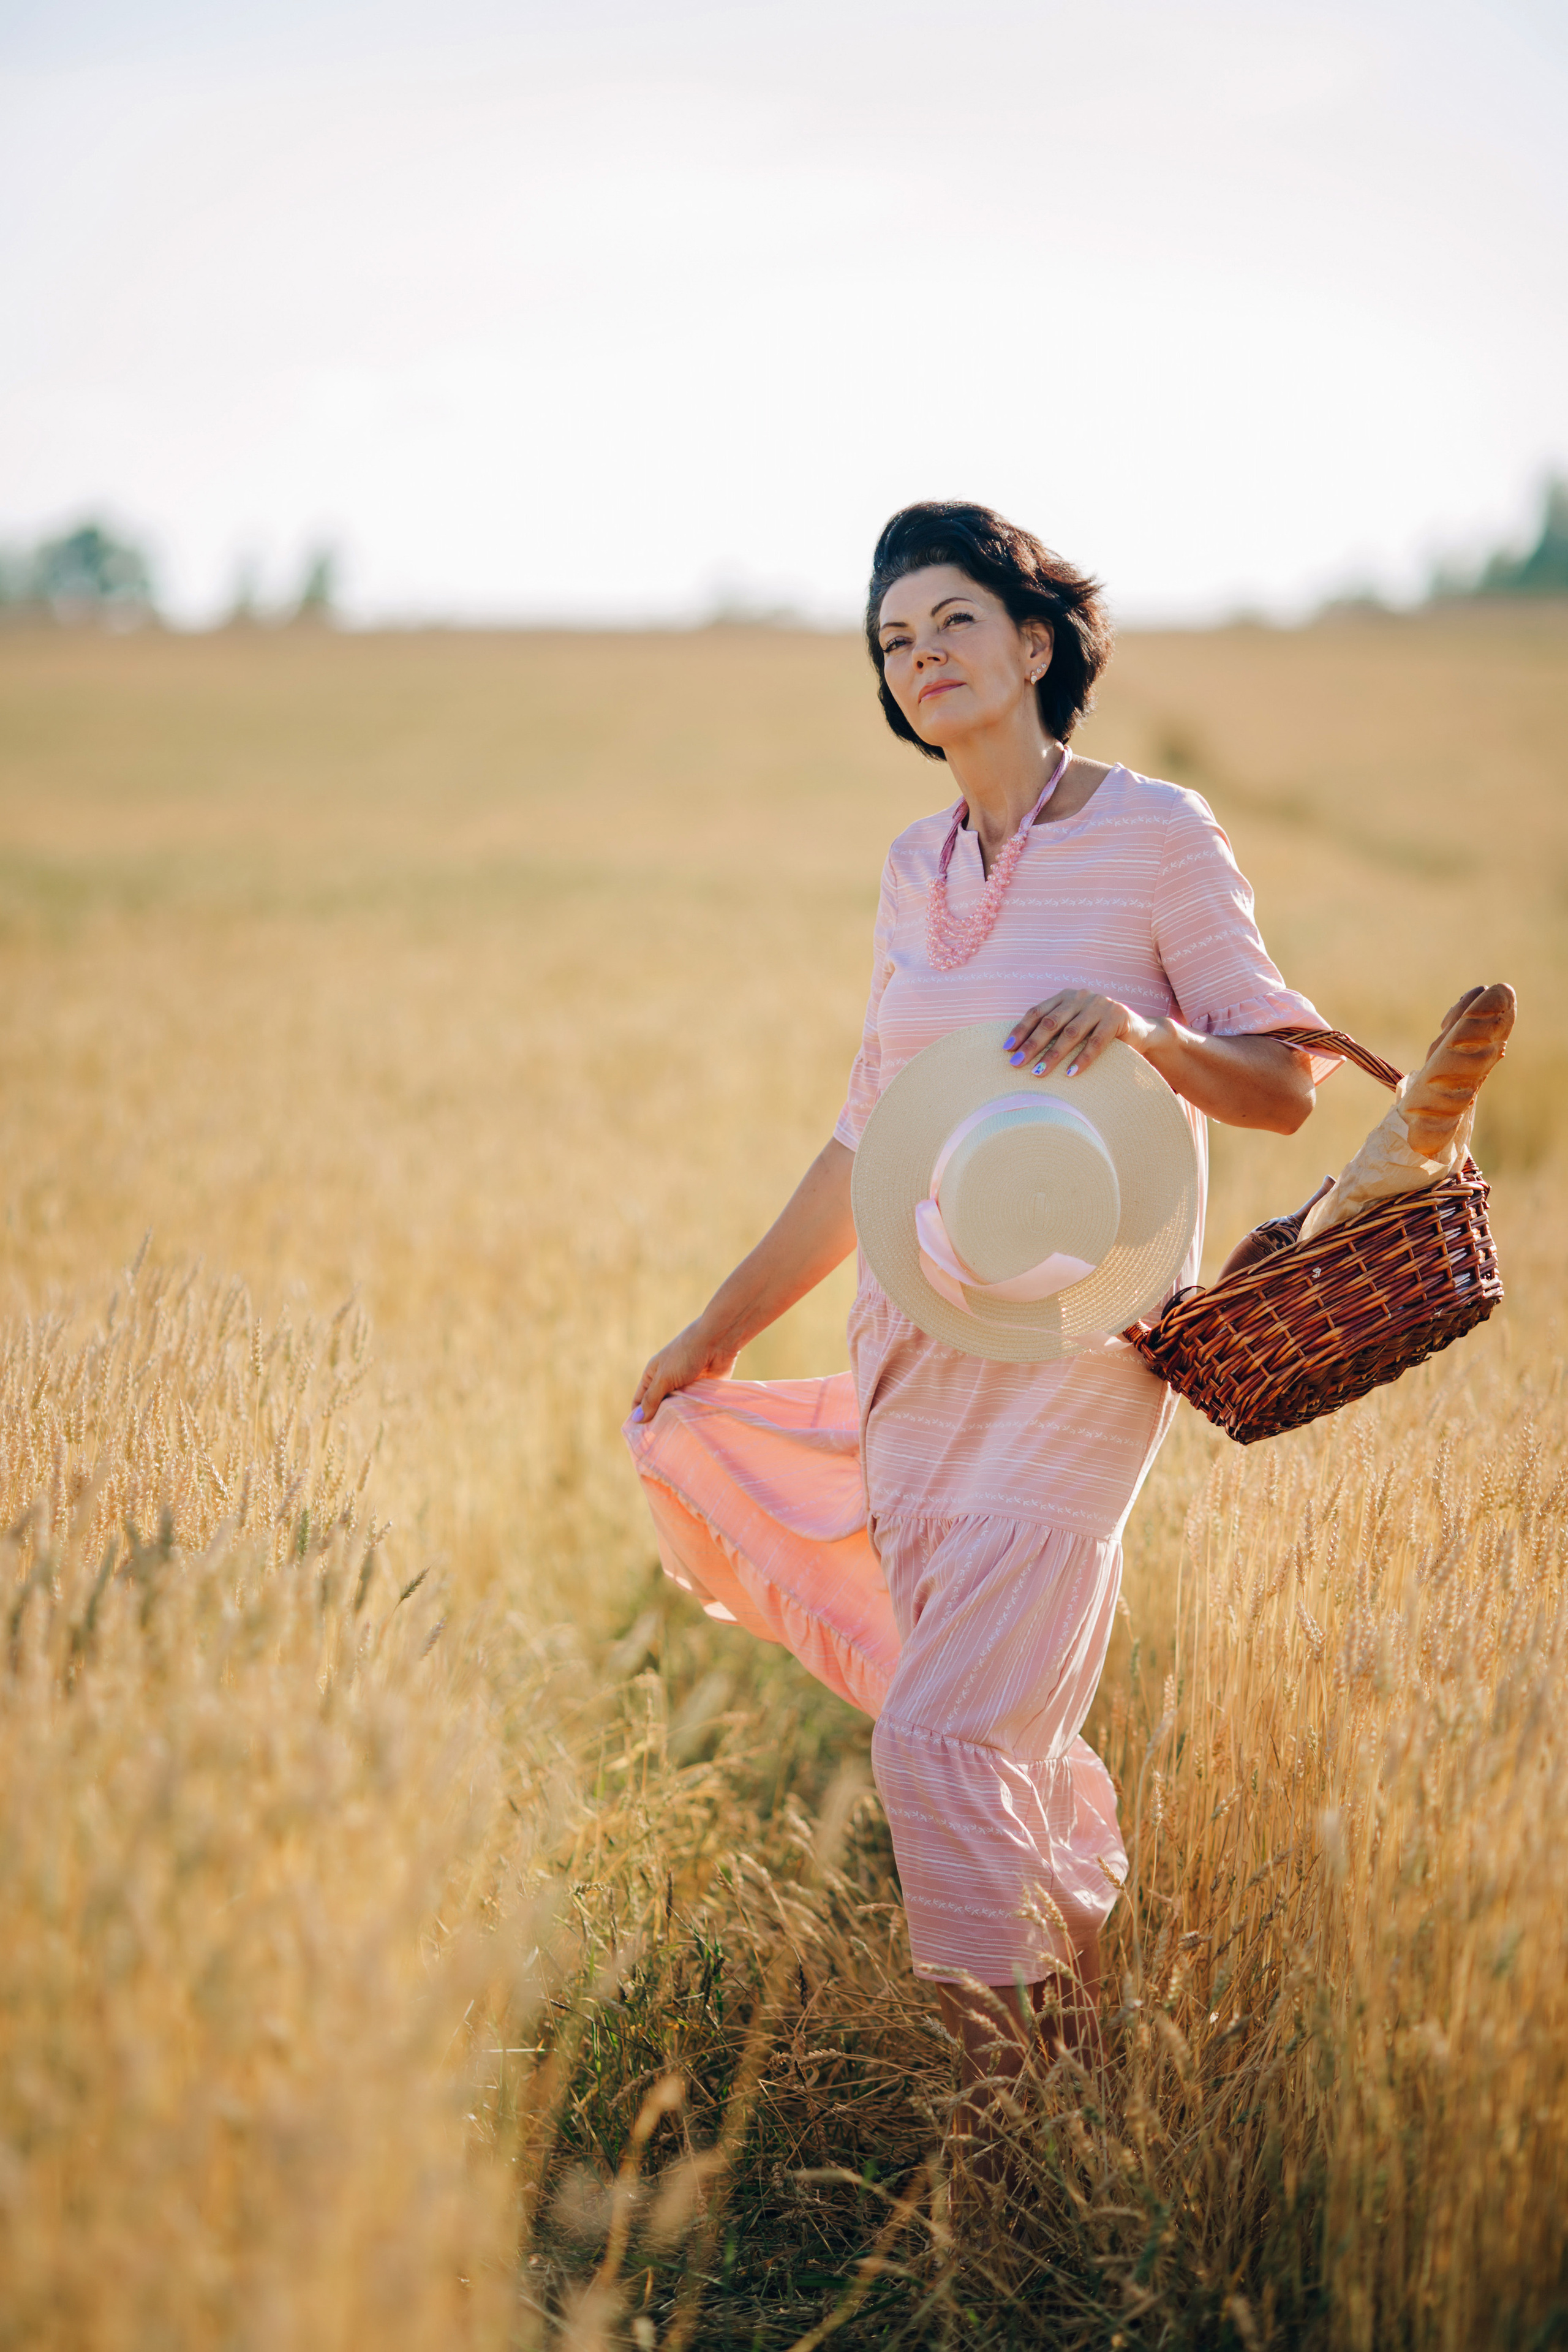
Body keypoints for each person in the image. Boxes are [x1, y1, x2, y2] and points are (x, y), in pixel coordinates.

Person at [625, 501, 1335, 2159]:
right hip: (915, 1341)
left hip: (1080, 1348)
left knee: (936, 1742)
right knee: (1003, 1729)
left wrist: (1152, 1035)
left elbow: (1290, 1085)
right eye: (891, 640)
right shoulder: (910, 867)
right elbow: (864, 1138)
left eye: (949, 620)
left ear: (1034, 641)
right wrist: (714, 1332)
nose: (919, 655)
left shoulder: (1156, 834)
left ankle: (1001, 2149)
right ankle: (1089, 2080)